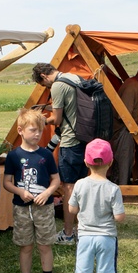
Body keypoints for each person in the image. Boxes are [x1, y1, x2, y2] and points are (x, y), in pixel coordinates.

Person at [61, 139, 125, 273]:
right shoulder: (113, 189)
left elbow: (72, 210)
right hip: (106, 238)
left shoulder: (80, 184)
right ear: (111, 162)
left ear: (86, 162)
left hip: (85, 237)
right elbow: (119, 217)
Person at [2, 109, 60, 273]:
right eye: (33, 130)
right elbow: (7, 182)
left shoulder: (46, 155)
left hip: (44, 208)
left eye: (40, 131)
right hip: (22, 208)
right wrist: (20, 192)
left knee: (45, 245)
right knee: (25, 246)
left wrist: (47, 193)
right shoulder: (13, 156)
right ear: (20, 130)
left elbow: (56, 180)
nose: (37, 134)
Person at [31, 63, 87, 245]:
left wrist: (40, 121)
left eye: (44, 85)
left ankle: (69, 234)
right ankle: (81, 231)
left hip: (70, 141)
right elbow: (71, 108)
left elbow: (58, 118)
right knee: (81, 186)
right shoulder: (74, 78)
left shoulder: (57, 85)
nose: (47, 88)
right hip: (85, 137)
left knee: (69, 188)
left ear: (43, 76)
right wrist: (47, 109)